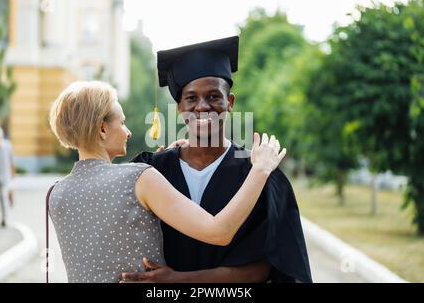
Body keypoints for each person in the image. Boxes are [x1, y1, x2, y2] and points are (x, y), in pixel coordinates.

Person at [47, 80, 286, 283]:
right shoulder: (138, 177)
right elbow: (219, 232)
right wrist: (260, 170)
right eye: (121, 122)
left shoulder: (55, 194)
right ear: (102, 129)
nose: (128, 132)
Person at [127, 36, 312, 283]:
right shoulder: (152, 170)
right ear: (179, 106)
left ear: (230, 102)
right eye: (191, 98)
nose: (202, 107)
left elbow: (269, 266)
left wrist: (179, 280)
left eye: (214, 96)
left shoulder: (259, 173)